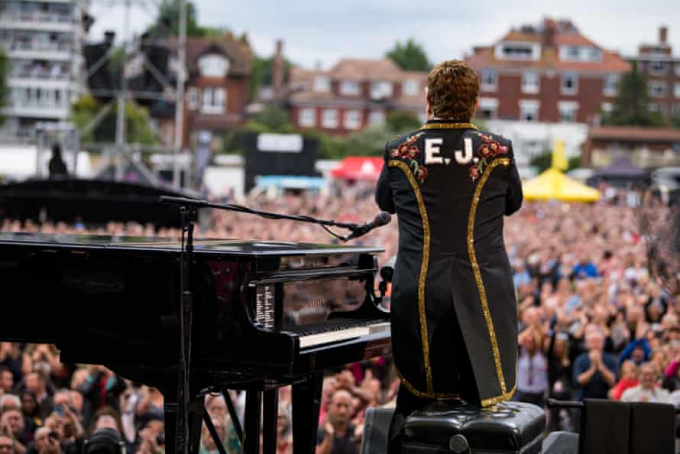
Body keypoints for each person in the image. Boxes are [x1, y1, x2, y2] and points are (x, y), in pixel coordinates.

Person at [375, 60, 523, 454]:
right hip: (482, 294)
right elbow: (513, 203)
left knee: (417, 408)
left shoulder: (399, 151)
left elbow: (384, 201)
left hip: (420, 292)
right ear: (475, 102)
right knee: (485, 415)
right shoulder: (498, 151)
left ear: (428, 100)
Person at [572, 329, 618, 400]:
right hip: (584, 400)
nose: (595, 344)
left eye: (598, 341)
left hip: (606, 400)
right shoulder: (580, 360)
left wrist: (601, 366)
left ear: (603, 343)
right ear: (587, 343)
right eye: (592, 341)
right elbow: (578, 381)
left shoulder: (612, 359)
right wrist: (593, 369)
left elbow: (613, 382)